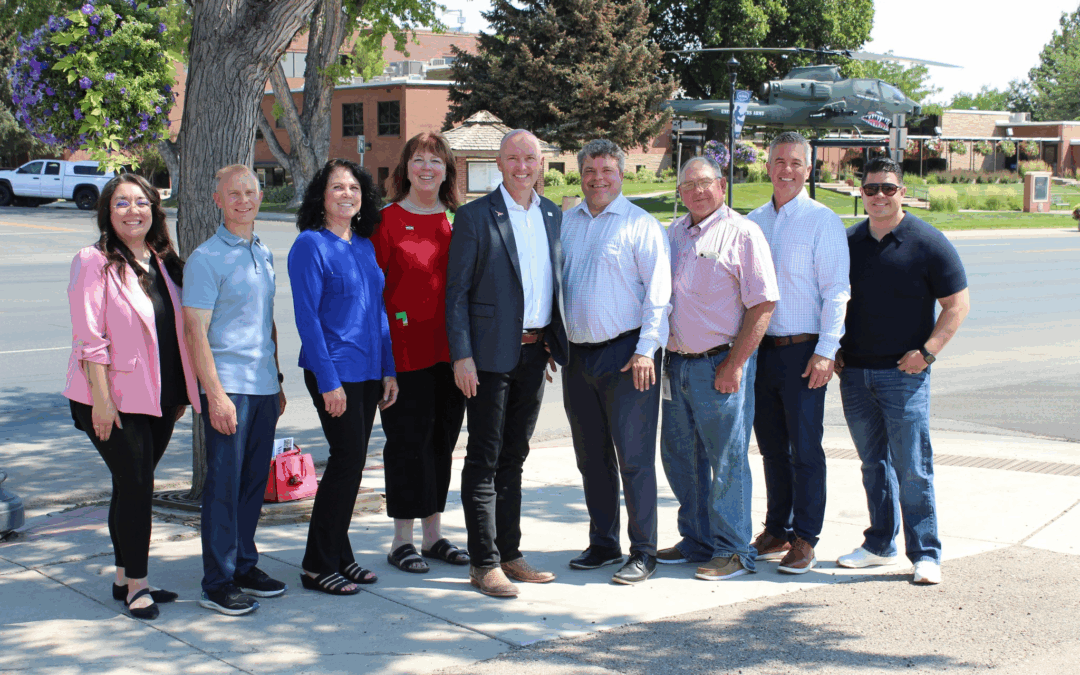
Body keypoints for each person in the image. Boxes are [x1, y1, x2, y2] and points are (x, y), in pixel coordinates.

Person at [63, 174, 201, 620]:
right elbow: (89, 339)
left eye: (141, 201)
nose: (132, 210)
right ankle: (139, 585)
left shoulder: (164, 262)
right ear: (107, 212)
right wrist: (102, 402)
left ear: (154, 210)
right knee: (138, 486)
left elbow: (173, 332)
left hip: (158, 395)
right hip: (110, 398)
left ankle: (124, 578)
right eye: (121, 203)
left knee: (129, 485)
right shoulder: (93, 261)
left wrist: (180, 393)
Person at [835, 157, 969, 585]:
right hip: (855, 375)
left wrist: (927, 353)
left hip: (905, 376)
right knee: (873, 464)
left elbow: (957, 305)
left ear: (902, 192)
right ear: (861, 192)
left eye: (888, 188)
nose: (879, 196)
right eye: (871, 188)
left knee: (912, 466)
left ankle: (925, 553)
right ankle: (879, 543)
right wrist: (833, 349)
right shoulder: (848, 242)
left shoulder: (928, 242)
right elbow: (831, 300)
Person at [445, 129, 568, 598]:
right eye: (513, 158)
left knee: (515, 456)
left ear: (541, 164)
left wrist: (552, 340)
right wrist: (462, 356)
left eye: (530, 158)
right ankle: (483, 562)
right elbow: (456, 294)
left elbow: (554, 284)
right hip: (487, 358)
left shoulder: (552, 214)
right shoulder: (475, 216)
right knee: (484, 458)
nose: (522, 166)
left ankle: (510, 553)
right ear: (498, 163)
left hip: (535, 354)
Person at [658, 157, 778, 581]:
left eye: (705, 182)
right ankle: (697, 539)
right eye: (688, 185)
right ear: (679, 192)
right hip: (677, 365)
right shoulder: (673, 234)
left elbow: (763, 303)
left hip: (719, 365)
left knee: (726, 460)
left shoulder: (743, 233)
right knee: (680, 456)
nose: (697, 191)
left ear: (721, 185)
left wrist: (735, 363)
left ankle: (733, 550)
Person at [561, 139, 671, 585]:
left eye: (607, 170)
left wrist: (647, 349)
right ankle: (603, 543)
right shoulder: (568, 223)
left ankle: (644, 551)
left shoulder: (641, 225)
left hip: (628, 357)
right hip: (577, 357)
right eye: (590, 171)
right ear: (580, 175)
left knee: (634, 459)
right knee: (591, 458)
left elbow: (659, 295)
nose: (598, 179)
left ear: (622, 175)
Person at [289, 159, 399, 595]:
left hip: (368, 372)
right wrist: (328, 380)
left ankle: (339, 555)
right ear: (321, 196)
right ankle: (317, 565)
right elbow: (307, 319)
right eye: (337, 187)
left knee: (350, 465)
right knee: (346, 462)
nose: (346, 194)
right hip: (334, 371)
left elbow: (380, 312)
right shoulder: (310, 245)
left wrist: (388, 368)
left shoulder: (364, 245)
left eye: (353, 187)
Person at [183, 165, 288, 615]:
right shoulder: (206, 258)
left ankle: (244, 565)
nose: (243, 200)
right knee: (223, 487)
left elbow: (267, 323)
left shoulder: (263, 252)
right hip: (230, 389)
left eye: (250, 192)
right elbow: (195, 332)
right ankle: (217, 581)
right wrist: (216, 394)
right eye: (234, 194)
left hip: (263, 386)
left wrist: (277, 381)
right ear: (218, 201)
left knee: (251, 485)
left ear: (260, 196)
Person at [747, 131, 849, 575]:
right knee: (771, 448)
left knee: (806, 449)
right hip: (761, 352)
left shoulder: (822, 221)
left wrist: (827, 350)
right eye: (779, 161)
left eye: (795, 163)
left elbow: (837, 291)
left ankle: (806, 538)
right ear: (768, 166)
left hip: (804, 350)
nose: (786, 170)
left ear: (809, 169)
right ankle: (778, 529)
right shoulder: (753, 221)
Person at [374, 133, 468, 574]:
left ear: (447, 171)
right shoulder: (386, 221)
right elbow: (372, 297)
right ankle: (402, 540)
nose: (427, 168)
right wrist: (383, 363)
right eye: (419, 160)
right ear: (405, 169)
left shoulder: (458, 222)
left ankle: (433, 535)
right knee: (407, 445)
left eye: (436, 161)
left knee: (442, 444)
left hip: (452, 355)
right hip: (403, 356)